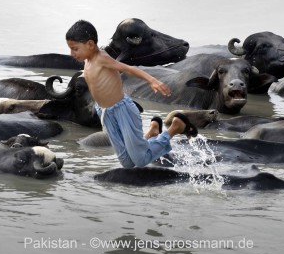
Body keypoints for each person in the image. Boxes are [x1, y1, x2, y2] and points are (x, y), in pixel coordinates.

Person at [66, 20, 198, 168]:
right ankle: (151, 134)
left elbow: (129, 69)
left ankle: (174, 128)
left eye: (75, 49)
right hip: (105, 113)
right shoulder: (87, 61)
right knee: (128, 163)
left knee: (140, 160)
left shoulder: (102, 59)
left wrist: (152, 80)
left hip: (122, 110)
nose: (72, 53)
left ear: (90, 44)